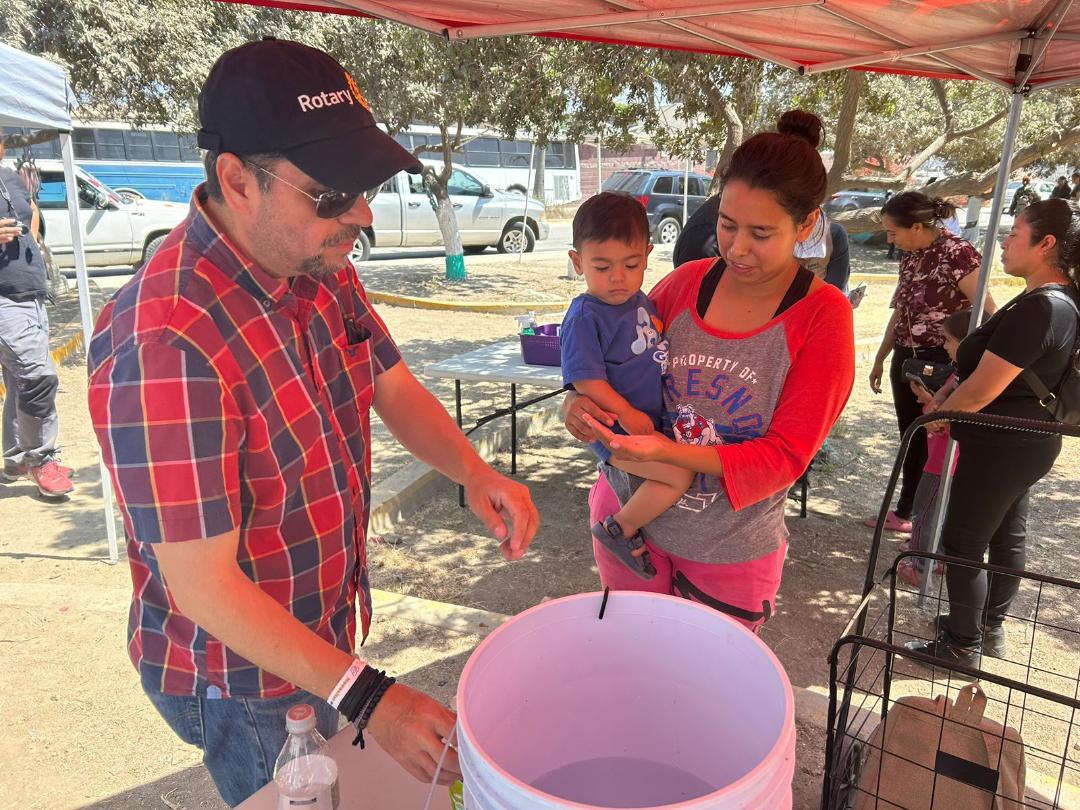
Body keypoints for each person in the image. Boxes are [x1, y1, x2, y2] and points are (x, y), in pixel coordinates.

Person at [86, 39, 539, 806]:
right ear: (237, 181)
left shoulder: (319, 265)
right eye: (333, 196)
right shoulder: (166, 342)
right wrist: (371, 699)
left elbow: (390, 385)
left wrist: (475, 470)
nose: (359, 217)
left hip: (322, 631)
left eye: (362, 190)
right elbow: (203, 588)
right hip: (240, 677)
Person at [564, 110, 855, 632]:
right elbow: (609, 352)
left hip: (727, 551)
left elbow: (785, 457)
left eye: (761, 233)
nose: (737, 248)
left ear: (807, 224)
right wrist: (575, 401)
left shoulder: (822, 316)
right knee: (633, 661)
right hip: (627, 516)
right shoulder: (686, 282)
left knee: (706, 691)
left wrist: (667, 452)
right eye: (726, 224)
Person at [907, 199, 1080, 666]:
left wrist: (938, 415)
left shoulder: (1042, 308)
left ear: (1046, 244)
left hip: (1003, 444)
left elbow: (982, 390)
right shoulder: (1059, 302)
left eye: (1015, 232)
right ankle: (986, 626)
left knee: (963, 542)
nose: (1004, 240)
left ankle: (964, 643)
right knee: (1006, 536)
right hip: (1025, 441)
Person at [561, 191, 692, 579]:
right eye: (602, 267)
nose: (618, 277)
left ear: (648, 255)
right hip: (616, 432)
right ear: (577, 261)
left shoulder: (640, 300)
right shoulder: (585, 315)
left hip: (643, 427)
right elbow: (586, 380)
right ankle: (618, 528)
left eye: (631, 264)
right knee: (677, 475)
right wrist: (628, 413)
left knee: (669, 473)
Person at [867, 192, 995, 533]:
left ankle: (933, 524)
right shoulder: (910, 257)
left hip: (942, 362)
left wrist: (966, 366)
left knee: (939, 441)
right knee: (911, 436)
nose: (889, 239)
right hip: (906, 358)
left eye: (893, 232)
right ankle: (907, 511)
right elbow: (900, 312)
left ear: (918, 226)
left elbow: (985, 311)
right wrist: (881, 357)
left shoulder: (958, 252)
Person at [0, 139, 73, 497]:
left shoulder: (9, 176)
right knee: (38, 378)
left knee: (19, 380)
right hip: (3, 300)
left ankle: (16, 458)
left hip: (30, 292)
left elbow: (30, 220)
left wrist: (30, 206)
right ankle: (42, 458)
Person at [894, 308, 969, 588]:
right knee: (942, 511)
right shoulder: (961, 376)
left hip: (941, 463)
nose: (944, 346)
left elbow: (939, 421)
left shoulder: (963, 381)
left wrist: (926, 400)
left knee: (925, 511)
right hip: (949, 462)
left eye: (949, 341)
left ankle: (921, 566)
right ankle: (936, 556)